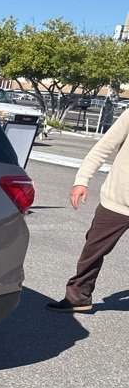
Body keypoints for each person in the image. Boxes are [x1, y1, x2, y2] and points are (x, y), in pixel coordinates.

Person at [46, 106, 129, 312]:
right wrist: (82, 180)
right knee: (93, 250)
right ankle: (78, 296)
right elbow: (103, 148)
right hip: (117, 201)